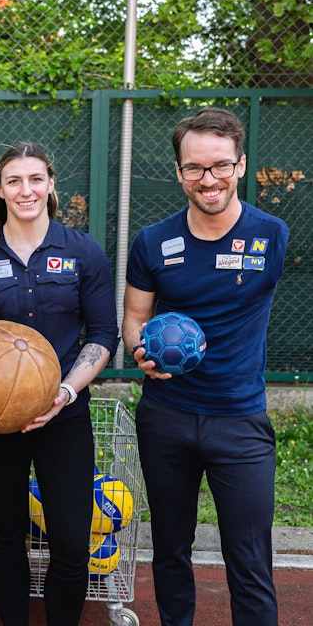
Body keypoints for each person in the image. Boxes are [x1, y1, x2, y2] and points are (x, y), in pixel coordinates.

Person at [123, 108, 286, 626]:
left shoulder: (271, 235)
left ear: (239, 166)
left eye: (219, 166)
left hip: (240, 421)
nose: (208, 178)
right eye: (194, 167)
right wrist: (139, 354)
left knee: (250, 559)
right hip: (166, 416)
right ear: (179, 172)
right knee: (170, 548)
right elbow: (134, 316)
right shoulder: (152, 242)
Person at [0, 143, 118, 625]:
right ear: (0, 190)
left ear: (51, 185)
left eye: (36, 179)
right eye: (15, 181)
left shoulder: (83, 251)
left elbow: (104, 334)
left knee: (69, 538)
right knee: (4, 533)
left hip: (64, 414)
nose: (27, 190)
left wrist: (64, 392)